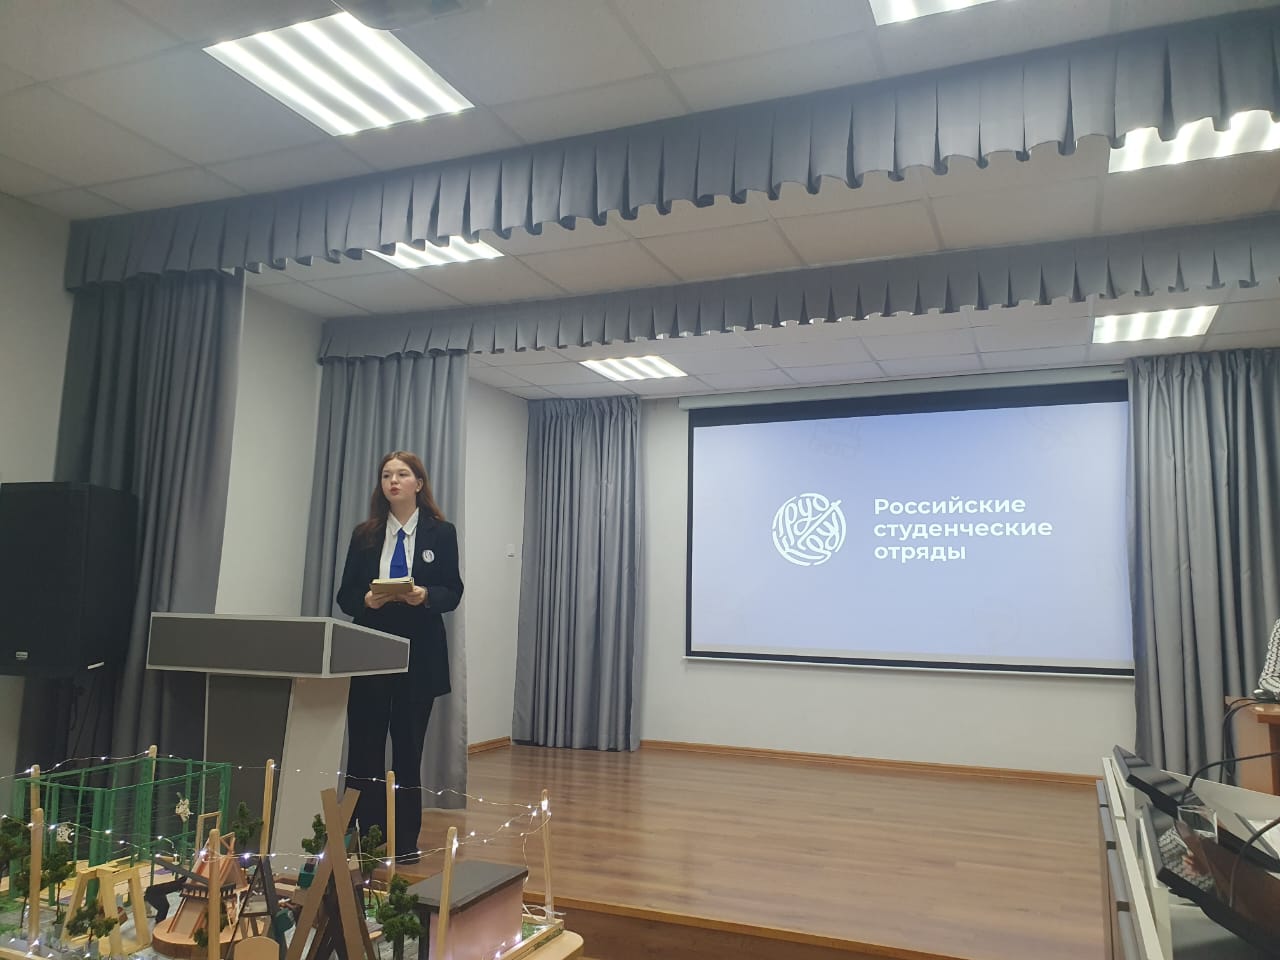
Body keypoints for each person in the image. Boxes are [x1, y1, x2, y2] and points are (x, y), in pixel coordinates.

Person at [336, 450, 463, 863]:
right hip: (371, 649)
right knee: (365, 748)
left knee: (408, 750)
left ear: (418, 484)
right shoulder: (365, 534)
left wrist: (424, 594)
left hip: (419, 653)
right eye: (387, 475)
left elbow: (453, 591)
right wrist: (366, 599)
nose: (393, 481)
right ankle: (366, 838)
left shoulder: (441, 533)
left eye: (402, 474)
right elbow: (345, 595)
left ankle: (405, 841)